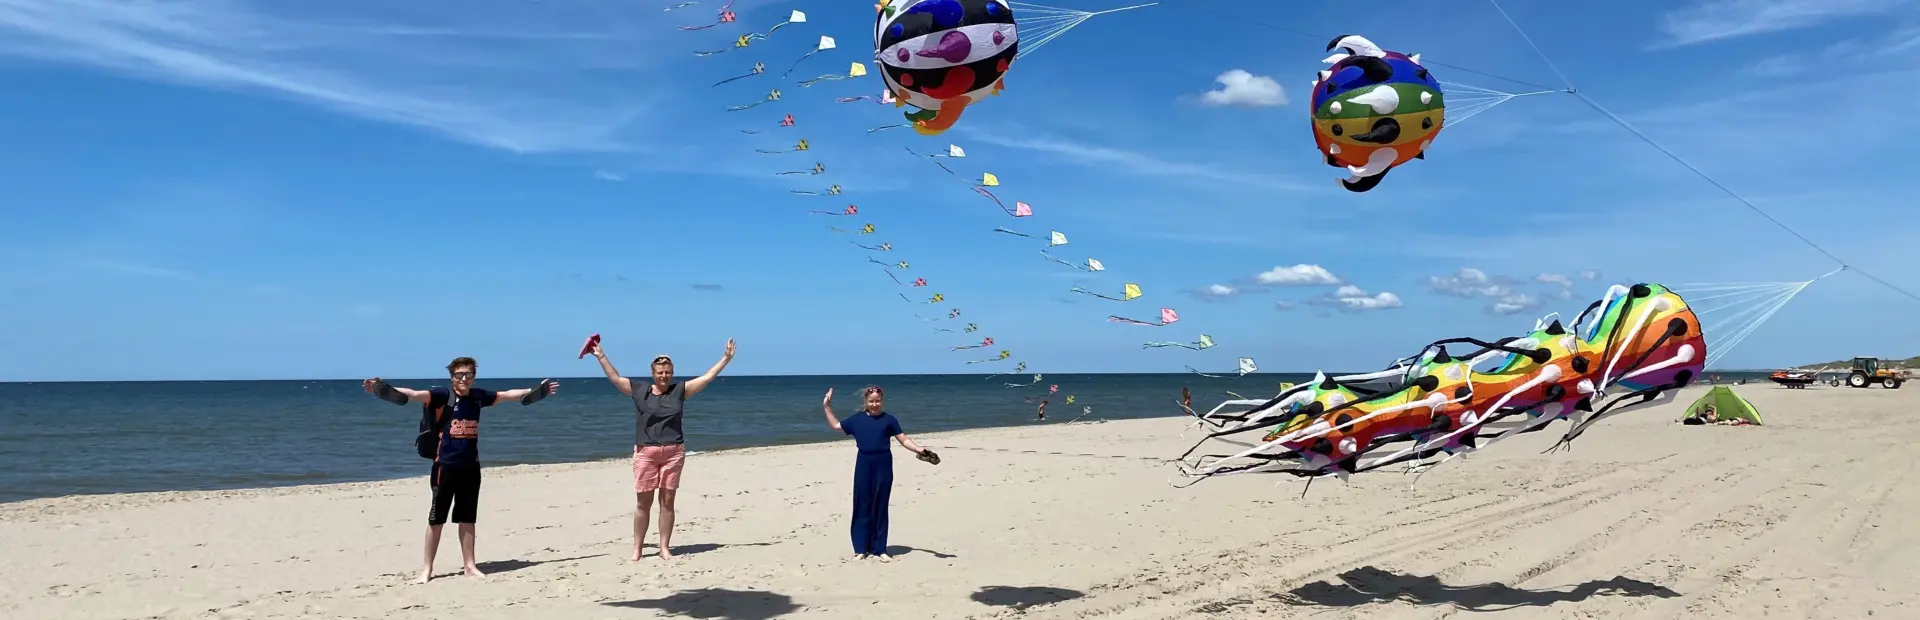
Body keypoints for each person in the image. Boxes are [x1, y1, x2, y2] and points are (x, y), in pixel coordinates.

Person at [362, 358, 558, 584]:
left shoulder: (477, 397)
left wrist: (536, 391)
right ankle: (426, 569)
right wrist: (383, 388)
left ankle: (470, 565)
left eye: (468, 374)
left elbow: (507, 395)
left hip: (471, 467)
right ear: (452, 377)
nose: (464, 379)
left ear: (474, 376)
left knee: (467, 518)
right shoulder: (441, 396)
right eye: (459, 375)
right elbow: (413, 394)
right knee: (436, 519)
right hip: (444, 466)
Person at [588, 338, 735, 562]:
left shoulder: (680, 391)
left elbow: (706, 378)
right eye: (660, 372)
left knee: (667, 502)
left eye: (667, 372)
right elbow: (615, 378)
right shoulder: (640, 390)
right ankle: (637, 548)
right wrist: (601, 356)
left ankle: (664, 548)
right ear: (652, 373)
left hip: (674, 452)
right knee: (643, 503)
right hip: (646, 453)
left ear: (672, 373)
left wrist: (725, 359)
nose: (664, 376)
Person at [821, 386, 937, 562]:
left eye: (877, 401)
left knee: (880, 506)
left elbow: (903, 439)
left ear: (882, 401)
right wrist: (827, 407)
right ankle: (861, 548)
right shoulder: (857, 420)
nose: (874, 404)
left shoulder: (889, 420)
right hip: (864, 464)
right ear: (866, 402)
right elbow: (837, 426)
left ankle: (880, 549)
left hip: (883, 464)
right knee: (862, 505)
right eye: (871, 401)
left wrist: (920, 449)